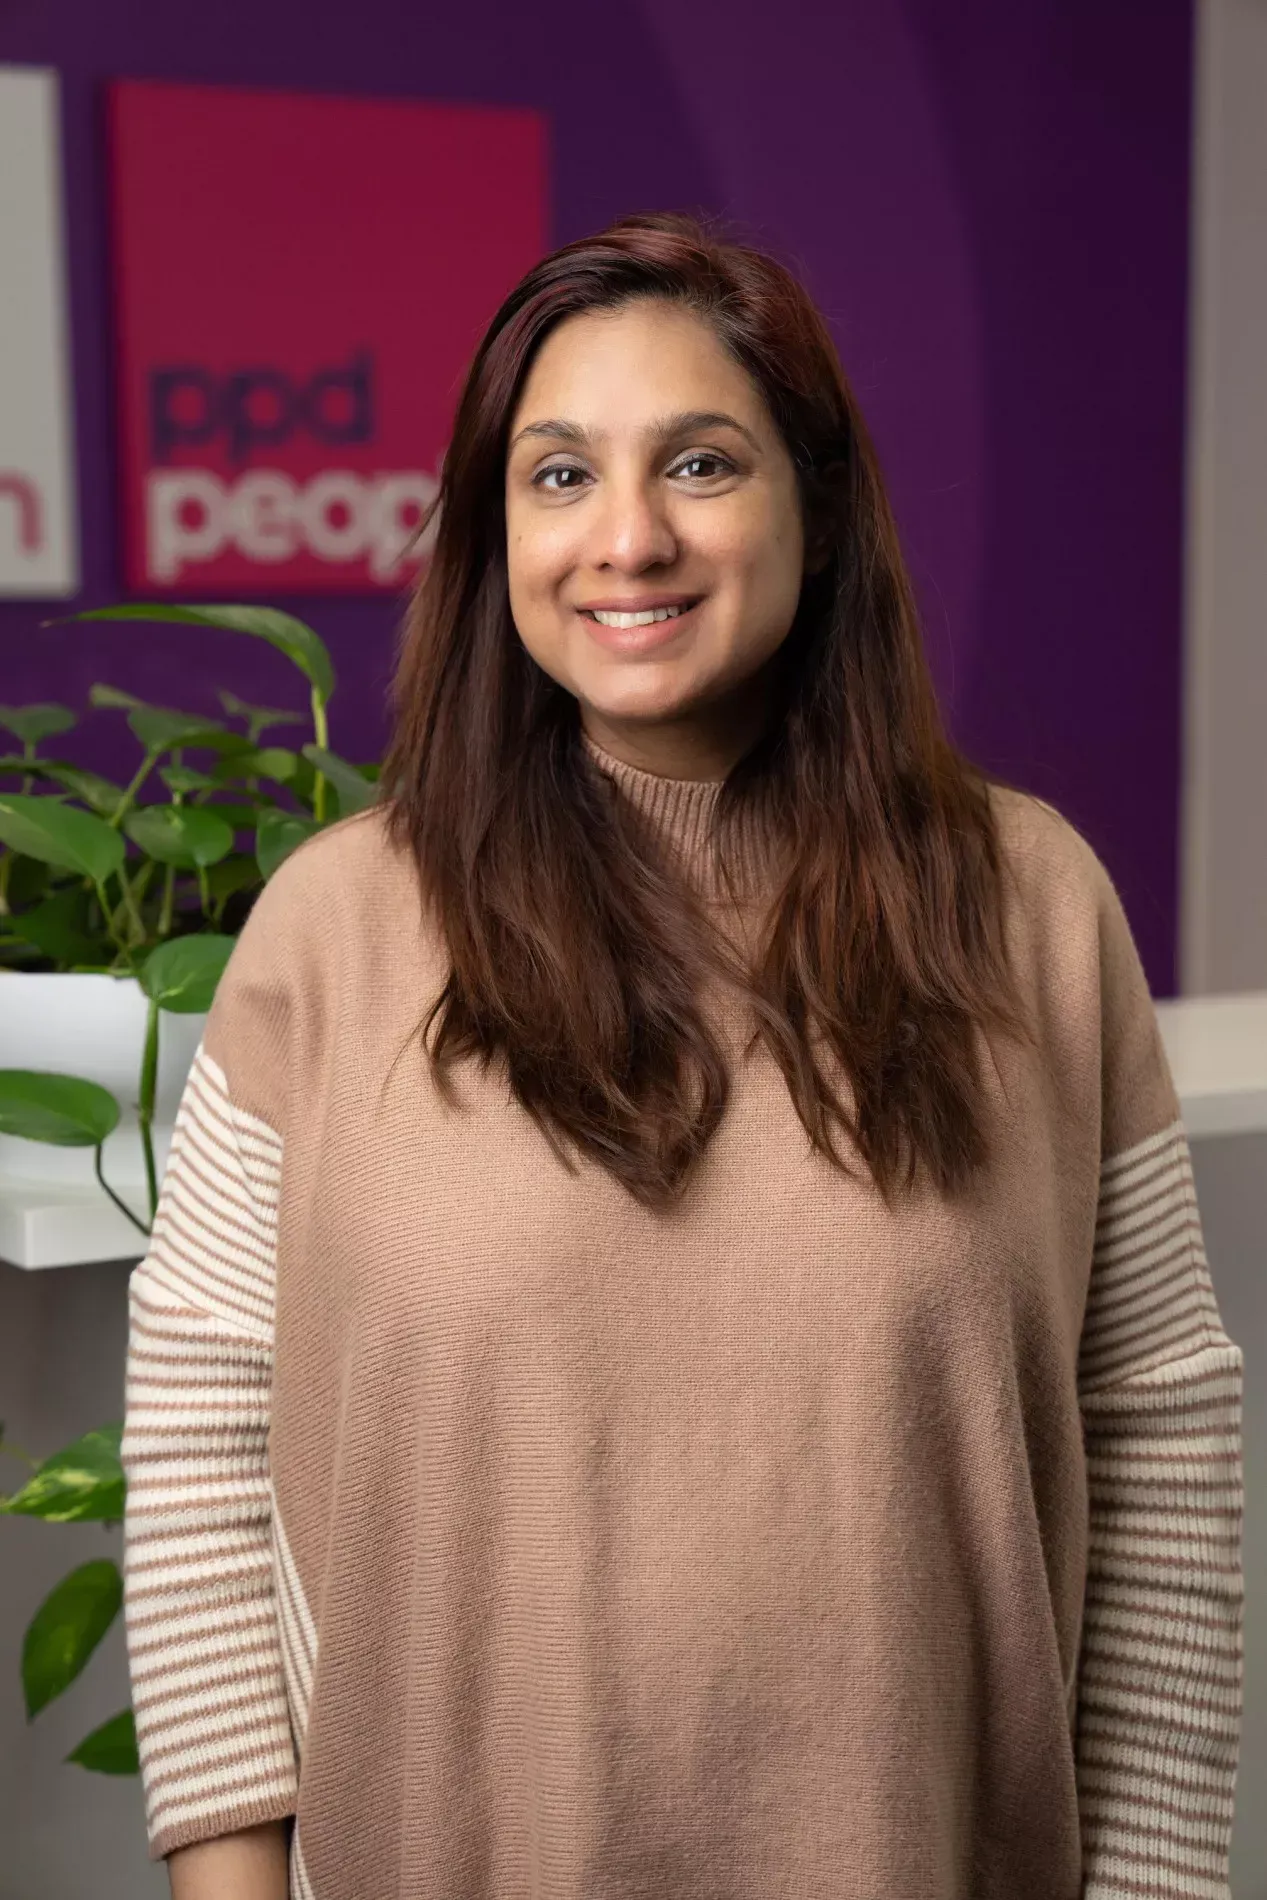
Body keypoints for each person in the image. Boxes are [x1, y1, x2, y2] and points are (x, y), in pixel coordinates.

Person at [120, 212, 1244, 1900]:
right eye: (557, 476)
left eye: (700, 464)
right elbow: (206, 1402)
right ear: (495, 534)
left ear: (815, 502)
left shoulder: (1030, 907)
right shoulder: (334, 927)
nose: (625, 538)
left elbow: (1155, 1423)